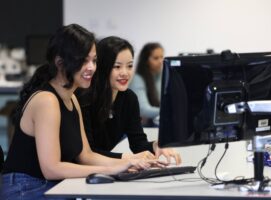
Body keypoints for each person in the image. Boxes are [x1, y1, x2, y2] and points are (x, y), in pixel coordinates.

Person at [0, 25, 163, 200]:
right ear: (60, 62)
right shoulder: (46, 101)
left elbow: (86, 156)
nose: (91, 67)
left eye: (94, 60)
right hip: (25, 188)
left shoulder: (73, 99)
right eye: (84, 61)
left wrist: (128, 163)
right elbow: (51, 169)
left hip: (52, 185)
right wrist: (112, 168)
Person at [77, 36, 181, 163]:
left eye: (130, 66)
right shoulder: (84, 99)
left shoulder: (129, 98)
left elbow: (138, 144)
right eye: (117, 66)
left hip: (103, 169)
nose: (125, 73)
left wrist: (156, 145)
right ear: (102, 67)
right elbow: (88, 153)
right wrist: (127, 158)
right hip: (72, 174)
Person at [129, 42, 164, 126]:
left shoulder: (161, 75)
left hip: (154, 122)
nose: (160, 61)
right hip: (141, 125)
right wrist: (168, 111)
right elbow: (143, 109)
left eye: (162, 57)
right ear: (146, 60)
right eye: (156, 58)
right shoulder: (138, 79)